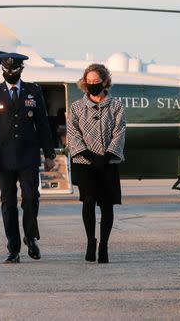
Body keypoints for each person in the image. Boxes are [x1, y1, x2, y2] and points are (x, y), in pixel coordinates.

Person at [0, 53, 56, 263]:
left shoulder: (34, 91)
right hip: (3, 157)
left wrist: (49, 153)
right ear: (3, 70)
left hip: (28, 155)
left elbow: (42, 124)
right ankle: (13, 247)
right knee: (8, 202)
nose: (10, 74)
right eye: (7, 70)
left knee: (31, 197)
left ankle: (30, 237)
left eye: (14, 70)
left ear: (21, 70)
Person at [66, 63, 125, 263]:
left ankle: (104, 246)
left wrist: (107, 156)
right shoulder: (76, 107)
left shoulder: (116, 106)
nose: (92, 84)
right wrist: (90, 157)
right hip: (85, 162)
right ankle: (91, 241)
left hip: (107, 162)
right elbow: (73, 134)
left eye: (95, 81)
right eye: (88, 81)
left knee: (107, 205)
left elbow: (120, 132)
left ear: (104, 81)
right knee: (89, 201)